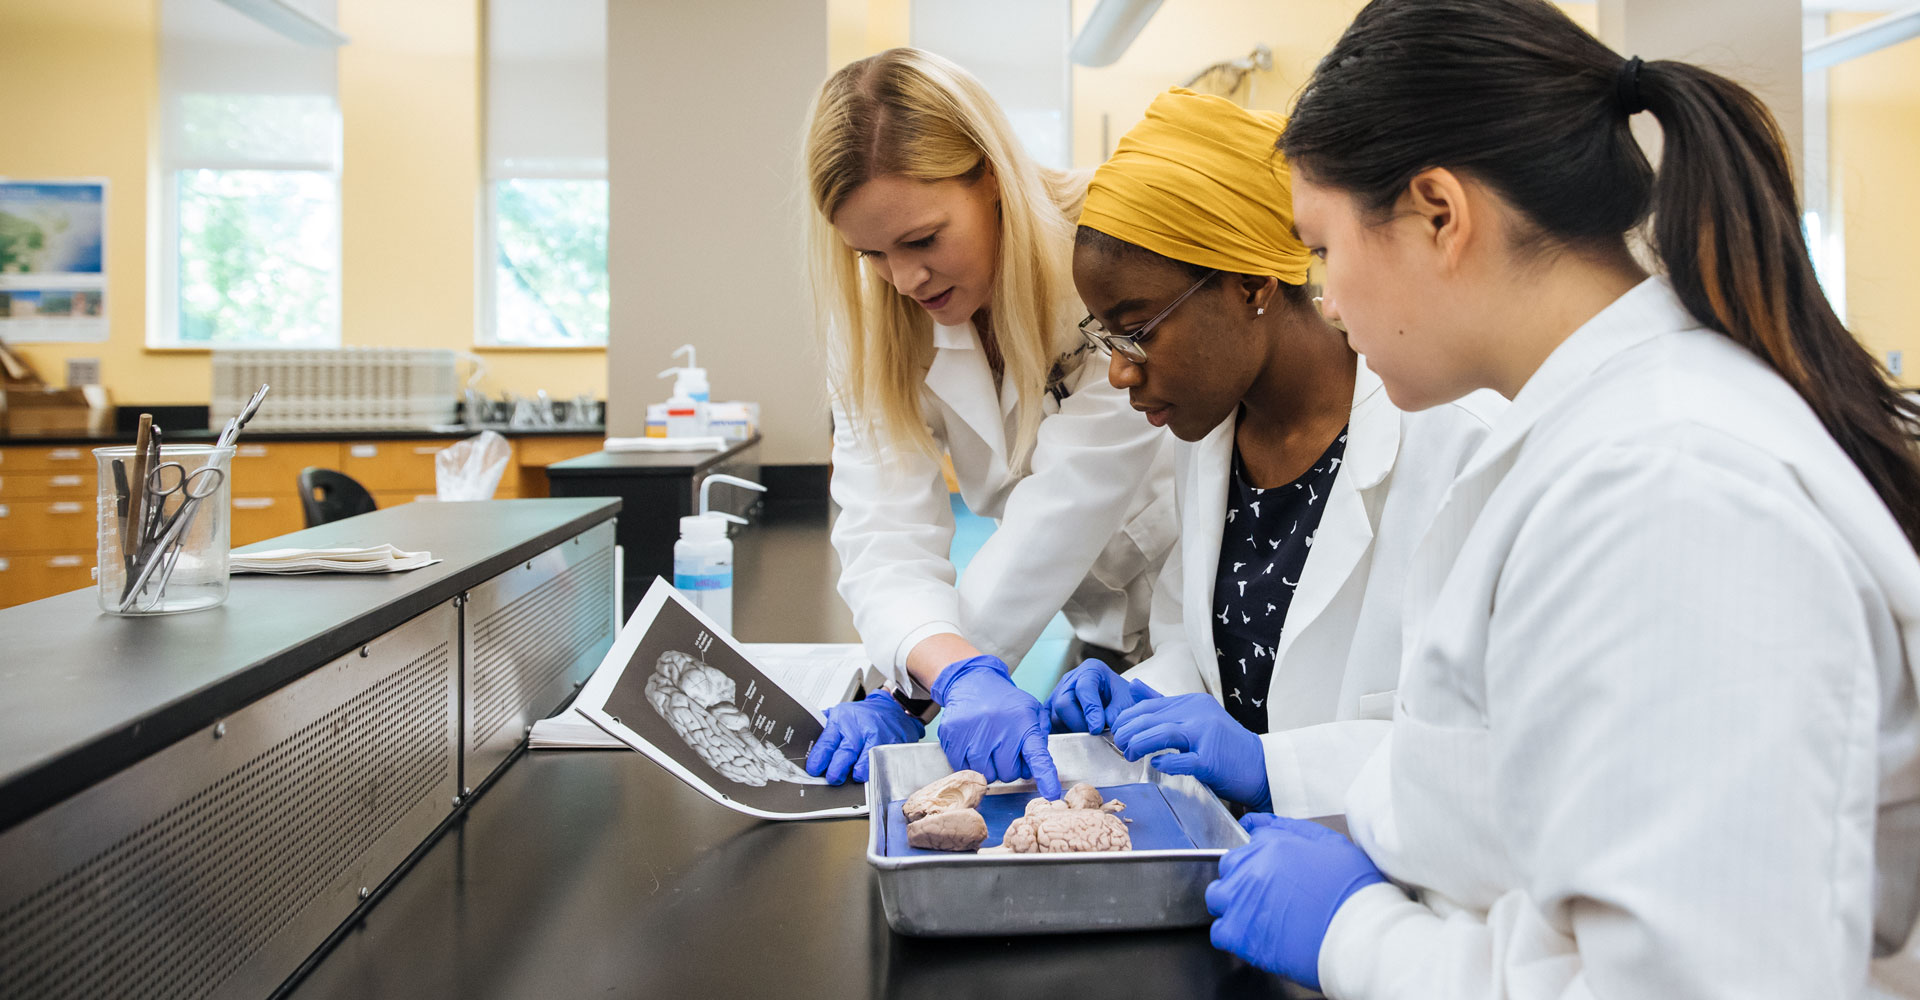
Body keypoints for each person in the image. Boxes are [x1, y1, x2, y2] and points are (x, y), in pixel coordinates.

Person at [1201, 1, 1920, 995]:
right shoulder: (1598, 434)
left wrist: (1360, 939)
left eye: (1323, 250)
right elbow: (1521, 762)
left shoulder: (1670, 490)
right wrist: (1286, 774)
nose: (1324, 300)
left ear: (1439, 215)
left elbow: (1691, 980)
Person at [1044, 87, 1500, 820]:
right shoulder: (1209, 435)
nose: (1121, 372)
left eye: (1137, 330)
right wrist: (1145, 694)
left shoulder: (1459, 442)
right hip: (1234, 853)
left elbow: (1487, 748)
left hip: (1389, 878)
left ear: (1251, 286)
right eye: (1105, 338)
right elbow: (1202, 651)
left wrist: (1275, 768)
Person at [798, 48, 1176, 795]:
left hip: (1193, 610)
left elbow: (1064, 508)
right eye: (869, 252)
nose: (904, 280)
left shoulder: (1103, 261)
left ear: (994, 179)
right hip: (1092, 636)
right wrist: (935, 663)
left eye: (923, 240)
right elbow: (885, 529)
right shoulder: (877, 319)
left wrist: (917, 687)